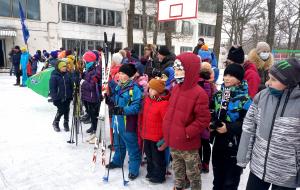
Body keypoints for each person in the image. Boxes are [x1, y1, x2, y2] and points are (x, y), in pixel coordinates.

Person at [237, 58, 300, 190]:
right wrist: (242, 157)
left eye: (274, 80)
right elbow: (249, 127)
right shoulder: (262, 97)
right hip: (258, 169)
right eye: (269, 78)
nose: (267, 83)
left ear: (289, 82)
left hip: (286, 175)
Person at [161, 52, 211, 190]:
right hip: (174, 140)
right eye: (175, 69)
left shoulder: (199, 93)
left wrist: (186, 132)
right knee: (177, 168)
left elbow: (203, 119)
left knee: (193, 172)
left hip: (188, 143)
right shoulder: (176, 88)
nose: (175, 72)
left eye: (179, 69)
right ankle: (179, 186)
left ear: (189, 70)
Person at [211, 63, 252, 190]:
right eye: (226, 75)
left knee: (230, 182)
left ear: (239, 79)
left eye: (231, 76)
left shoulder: (246, 99)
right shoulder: (219, 95)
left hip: (234, 145)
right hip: (218, 143)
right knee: (217, 179)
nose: (227, 78)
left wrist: (228, 128)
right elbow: (211, 112)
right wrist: (211, 123)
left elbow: (247, 123)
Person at [105, 63, 143, 180]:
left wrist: (122, 110)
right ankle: (117, 161)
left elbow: (136, 107)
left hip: (127, 123)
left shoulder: (134, 89)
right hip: (117, 121)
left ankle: (133, 169)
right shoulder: (119, 86)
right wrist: (109, 100)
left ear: (130, 76)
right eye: (119, 73)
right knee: (118, 144)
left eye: (122, 73)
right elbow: (116, 101)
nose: (119, 75)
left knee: (132, 147)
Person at [141, 78, 170, 184]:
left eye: (153, 89)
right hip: (147, 134)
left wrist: (164, 137)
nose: (150, 91)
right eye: (150, 88)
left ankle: (159, 175)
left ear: (159, 91)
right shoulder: (148, 100)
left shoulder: (163, 104)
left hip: (157, 136)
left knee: (157, 157)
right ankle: (151, 172)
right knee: (148, 155)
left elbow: (166, 122)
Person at [198, 62, 216, 173]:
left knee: (199, 142)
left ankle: (199, 163)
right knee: (206, 142)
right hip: (208, 116)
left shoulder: (197, 84)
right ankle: (206, 164)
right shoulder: (212, 86)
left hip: (199, 116)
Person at [80, 51, 102, 134]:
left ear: (89, 61)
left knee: (94, 114)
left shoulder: (94, 71)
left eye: (85, 61)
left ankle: (95, 129)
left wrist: (82, 82)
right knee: (91, 113)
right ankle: (93, 126)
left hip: (93, 97)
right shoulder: (89, 69)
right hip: (88, 96)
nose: (84, 62)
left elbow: (91, 86)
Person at [49, 60, 73, 132]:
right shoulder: (54, 76)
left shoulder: (67, 74)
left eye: (65, 66)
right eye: (63, 67)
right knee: (61, 110)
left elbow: (70, 85)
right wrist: (55, 99)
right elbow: (52, 89)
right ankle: (55, 122)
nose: (65, 68)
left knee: (67, 110)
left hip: (67, 96)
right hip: (59, 97)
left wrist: (71, 94)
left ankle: (66, 123)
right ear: (59, 67)